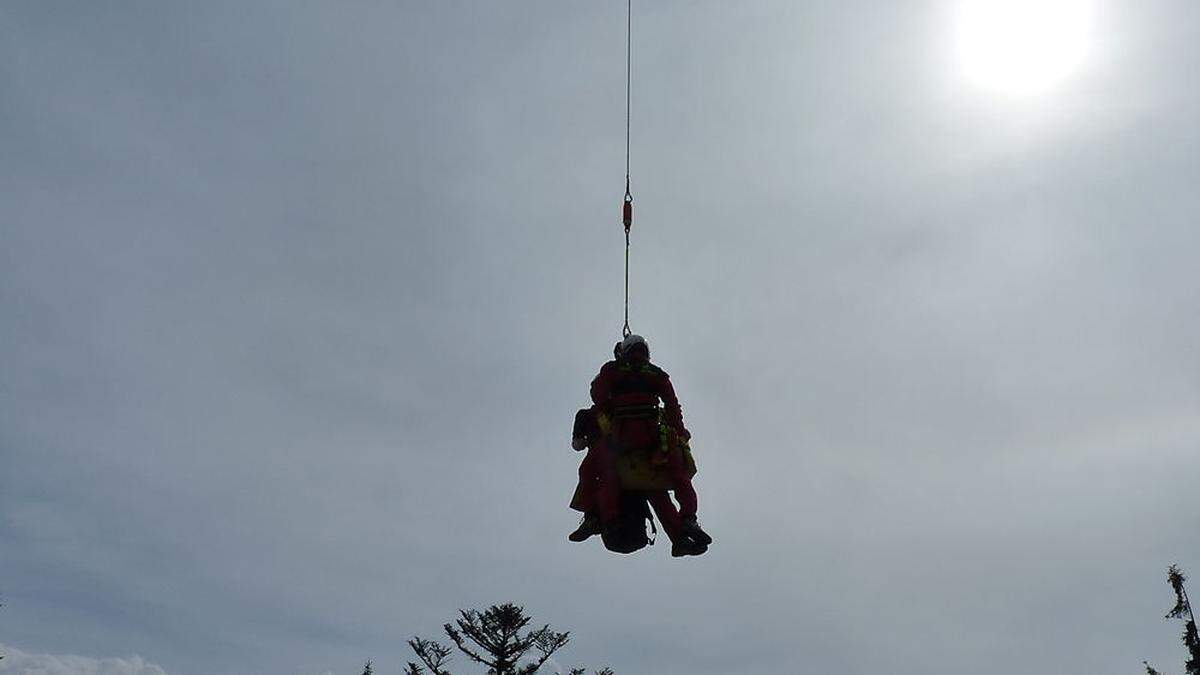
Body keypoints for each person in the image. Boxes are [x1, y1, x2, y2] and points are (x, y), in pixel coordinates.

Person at [589, 334, 711, 548]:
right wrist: (680, 433)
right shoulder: (657, 374)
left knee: (604, 472)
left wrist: (609, 410)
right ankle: (687, 522)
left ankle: (603, 519)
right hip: (653, 439)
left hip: (622, 437)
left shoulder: (613, 370)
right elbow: (673, 407)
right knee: (671, 479)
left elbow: (598, 394)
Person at [567, 405, 706, 556]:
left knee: (604, 490)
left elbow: (577, 445)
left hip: (617, 466)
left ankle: (594, 519)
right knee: (661, 500)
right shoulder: (647, 410)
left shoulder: (588, 415)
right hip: (644, 464)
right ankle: (680, 538)